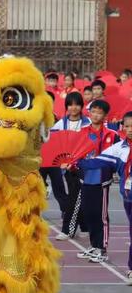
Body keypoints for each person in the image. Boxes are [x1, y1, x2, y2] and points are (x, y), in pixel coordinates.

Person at [77, 111, 132, 284]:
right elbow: (96, 161)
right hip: (129, 198)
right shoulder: (119, 149)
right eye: (127, 126)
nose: (130, 129)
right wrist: (75, 162)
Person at [73, 100, 118, 263]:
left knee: (101, 216)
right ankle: (94, 245)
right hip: (85, 178)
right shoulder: (82, 132)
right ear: (89, 113)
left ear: (105, 115)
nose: (95, 115)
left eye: (99, 112)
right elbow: (75, 154)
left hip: (102, 180)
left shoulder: (112, 135)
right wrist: (72, 164)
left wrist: (113, 171)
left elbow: (116, 157)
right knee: (89, 213)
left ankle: (102, 249)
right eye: (93, 112)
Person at [51, 92, 91, 240]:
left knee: (78, 197)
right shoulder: (61, 124)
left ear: (81, 106)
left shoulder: (88, 123)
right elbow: (53, 142)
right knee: (75, 197)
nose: (73, 107)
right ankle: (79, 228)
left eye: (77, 104)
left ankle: (73, 229)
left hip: (85, 166)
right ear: (66, 106)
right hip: (67, 168)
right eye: (70, 104)